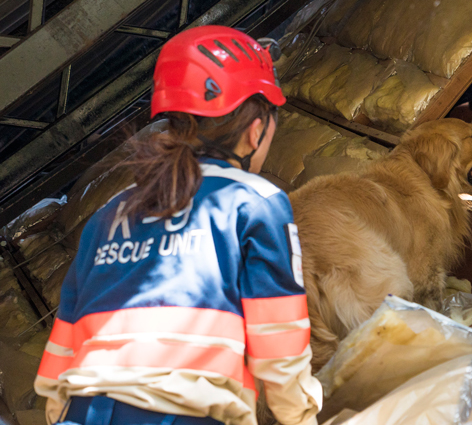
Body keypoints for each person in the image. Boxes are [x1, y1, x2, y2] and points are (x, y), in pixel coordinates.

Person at [34, 25, 322, 425]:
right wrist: (301, 418)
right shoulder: (255, 203)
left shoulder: (108, 215)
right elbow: (279, 347)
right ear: (257, 130)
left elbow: (61, 355)